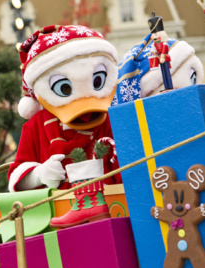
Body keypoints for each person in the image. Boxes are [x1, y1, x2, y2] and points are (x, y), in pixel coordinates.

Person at [8, 25, 121, 228]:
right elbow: (17, 177)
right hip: (56, 221)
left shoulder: (114, 119)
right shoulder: (36, 126)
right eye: (65, 87)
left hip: (112, 215)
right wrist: (39, 174)